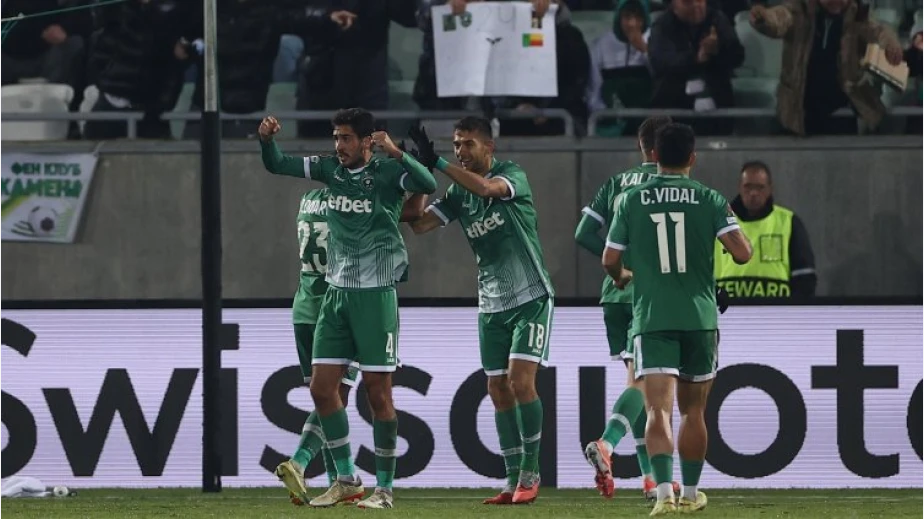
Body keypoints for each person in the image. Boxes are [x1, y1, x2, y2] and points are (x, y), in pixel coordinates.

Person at [258, 108, 437, 509]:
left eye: (346, 138)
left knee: (378, 395)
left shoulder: (386, 173)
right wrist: (266, 140)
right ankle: (345, 479)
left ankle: (385, 490)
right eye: (336, 137)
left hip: (375, 296)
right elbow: (277, 164)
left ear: (367, 141)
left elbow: (427, 184)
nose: (338, 145)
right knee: (322, 389)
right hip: (335, 297)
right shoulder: (330, 170)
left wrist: (398, 153)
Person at [602, 123, 752, 515]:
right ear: (692, 158)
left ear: (653, 155)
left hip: (652, 318)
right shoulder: (710, 198)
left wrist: (622, 277)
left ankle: (664, 495)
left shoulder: (631, 200)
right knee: (693, 412)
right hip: (699, 318)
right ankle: (691, 494)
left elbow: (609, 259)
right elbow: (743, 253)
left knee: (657, 411)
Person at [405, 117, 554, 505]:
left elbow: (487, 189)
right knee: (497, 388)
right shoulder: (458, 192)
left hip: (530, 295)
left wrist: (437, 163)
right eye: (456, 144)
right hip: (491, 303)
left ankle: (531, 471)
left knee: (521, 382)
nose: (460, 151)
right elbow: (418, 224)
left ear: (490, 147)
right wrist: (418, 174)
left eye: (468, 144)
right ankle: (511, 479)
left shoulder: (512, 175)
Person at [274, 184, 427, 506]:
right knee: (337, 395)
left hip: (304, 306)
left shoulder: (307, 199)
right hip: (343, 304)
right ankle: (302, 462)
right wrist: (416, 178)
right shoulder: (350, 202)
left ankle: (338, 481)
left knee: (327, 398)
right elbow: (409, 212)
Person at [574, 116, 681, 500]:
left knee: (640, 385)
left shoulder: (616, 183)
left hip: (614, 293)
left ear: (641, 146)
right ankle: (606, 443)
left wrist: (620, 267)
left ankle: (650, 478)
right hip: (650, 297)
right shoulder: (673, 188)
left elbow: (583, 234)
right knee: (648, 385)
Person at [749, 0, 903, 136]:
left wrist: (891, 45)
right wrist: (763, 18)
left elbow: (880, 31)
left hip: (841, 111)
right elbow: (778, 19)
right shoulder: (798, 11)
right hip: (797, 113)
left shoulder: (858, 16)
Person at [714, 161, 817, 298]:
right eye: (748, 187)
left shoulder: (788, 222)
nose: (753, 193)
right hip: (728, 309)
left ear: (770, 189)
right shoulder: (718, 222)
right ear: (740, 187)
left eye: (760, 187)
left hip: (776, 310)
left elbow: (805, 278)